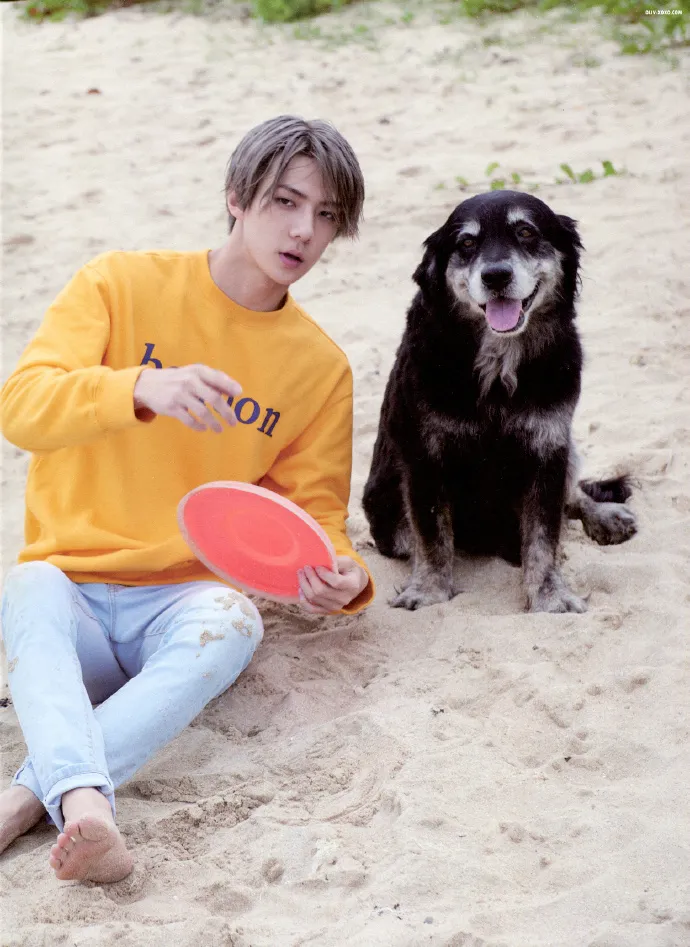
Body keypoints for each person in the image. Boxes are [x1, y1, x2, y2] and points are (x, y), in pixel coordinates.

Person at [0, 115, 374, 884]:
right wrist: (139, 387)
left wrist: (343, 574)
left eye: (326, 214)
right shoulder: (118, 283)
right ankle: (79, 800)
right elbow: (22, 407)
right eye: (285, 201)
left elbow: (315, 514)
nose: (303, 231)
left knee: (236, 622)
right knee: (28, 583)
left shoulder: (319, 368)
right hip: (68, 597)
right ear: (236, 196)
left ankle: (34, 797)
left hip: (177, 608)